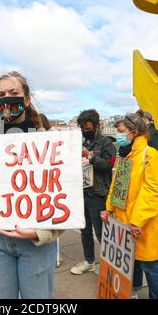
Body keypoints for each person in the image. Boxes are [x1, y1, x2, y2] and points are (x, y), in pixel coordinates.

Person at [0, 71, 62, 299]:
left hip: (35, 241)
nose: (7, 98)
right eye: (1, 94)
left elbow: (62, 193)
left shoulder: (46, 139)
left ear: (26, 100)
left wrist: (43, 231)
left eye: (13, 92)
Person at [102, 113, 158, 299]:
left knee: (151, 264)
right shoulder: (126, 156)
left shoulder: (150, 155)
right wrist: (108, 209)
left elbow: (153, 191)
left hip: (143, 223)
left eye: (121, 131)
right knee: (132, 260)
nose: (118, 135)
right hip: (126, 220)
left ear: (134, 132)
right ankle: (134, 291)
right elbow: (117, 188)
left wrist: (137, 221)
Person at [70, 109, 116, 275]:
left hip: (98, 194)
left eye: (88, 128)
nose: (85, 131)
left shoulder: (106, 143)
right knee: (85, 230)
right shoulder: (80, 142)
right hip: (82, 192)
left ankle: (110, 265)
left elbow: (108, 165)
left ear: (97, 126)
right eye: (82, 128)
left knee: (102, 232)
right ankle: (89, 261)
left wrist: (90, 156)